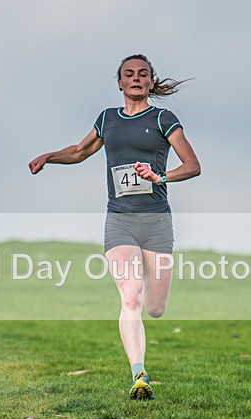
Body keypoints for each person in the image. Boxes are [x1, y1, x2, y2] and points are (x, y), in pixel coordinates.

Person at [28, 53, 200, 400]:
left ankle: (149, 285)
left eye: (142, 74)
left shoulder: (163, 119)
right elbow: (80, 151)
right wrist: (49, 157)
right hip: (119, 219)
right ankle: (139, 375)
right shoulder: (108, 119)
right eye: (129, 74)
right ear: (120, 83)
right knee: (131, 296)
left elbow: (192, 165)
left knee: (155, 307)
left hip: (157, 221)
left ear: (151, 81)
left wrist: (160, 176)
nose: (136, 78)